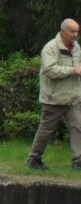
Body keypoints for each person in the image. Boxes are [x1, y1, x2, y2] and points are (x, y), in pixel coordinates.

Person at [25, 18, 81, 170]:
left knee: (78, 128)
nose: (75, 34)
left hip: (73, 98)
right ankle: (34, 160)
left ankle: (78, 162)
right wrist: (73, 70)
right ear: (63, 31)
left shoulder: (76, 47)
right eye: (72, 31)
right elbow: (50, 71)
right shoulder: (50, 48)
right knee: (46, 130)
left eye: (77, 31)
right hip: (53, 98)